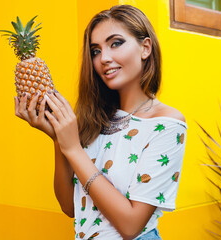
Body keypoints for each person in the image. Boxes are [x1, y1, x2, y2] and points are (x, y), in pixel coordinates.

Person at [14, 5, 187, 240]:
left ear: (145, 48)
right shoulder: (95, 119)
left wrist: (73, 149)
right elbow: (71, 208)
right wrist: (58, 140)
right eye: (95, 51)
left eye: (115, 43)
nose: (104, 58)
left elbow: (130, 226)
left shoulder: (167, 124)